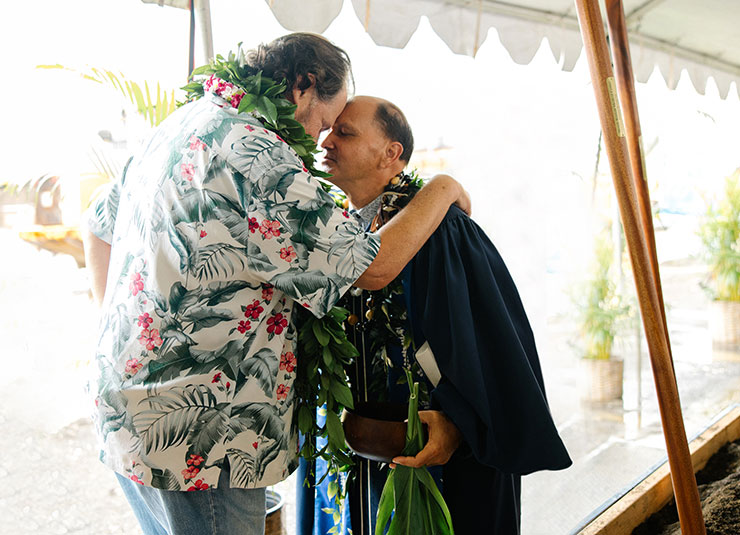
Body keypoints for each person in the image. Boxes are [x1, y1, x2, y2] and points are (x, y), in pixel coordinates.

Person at [82, 34, 469, 535]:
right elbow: (370, 267)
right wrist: (443, 187)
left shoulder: (189, 120)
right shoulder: (257, 152)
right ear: (305, 87)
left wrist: (122, 326)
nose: (319, 142)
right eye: (326, 124)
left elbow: (97, 222)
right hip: (202, 431)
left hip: (130, 402)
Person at [297, 96, 572, 535]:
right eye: (330, 130)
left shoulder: (442, 228)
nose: (327, 140)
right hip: (361, 447)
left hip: (440, 452)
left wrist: (459, 426)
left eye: (345, 133)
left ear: (392, 153)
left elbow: (486, 343)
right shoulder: (335, 234)